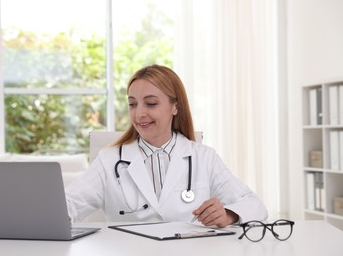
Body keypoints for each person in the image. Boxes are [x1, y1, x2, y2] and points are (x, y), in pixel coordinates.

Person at [66, 64, 267, 227]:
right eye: (133, 104)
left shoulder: (203, 157)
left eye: (151, 103)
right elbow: (69, 204)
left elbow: (255, 205)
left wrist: (228, 214)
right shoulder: (109, 160)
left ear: (175, 107)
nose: (139, 114)